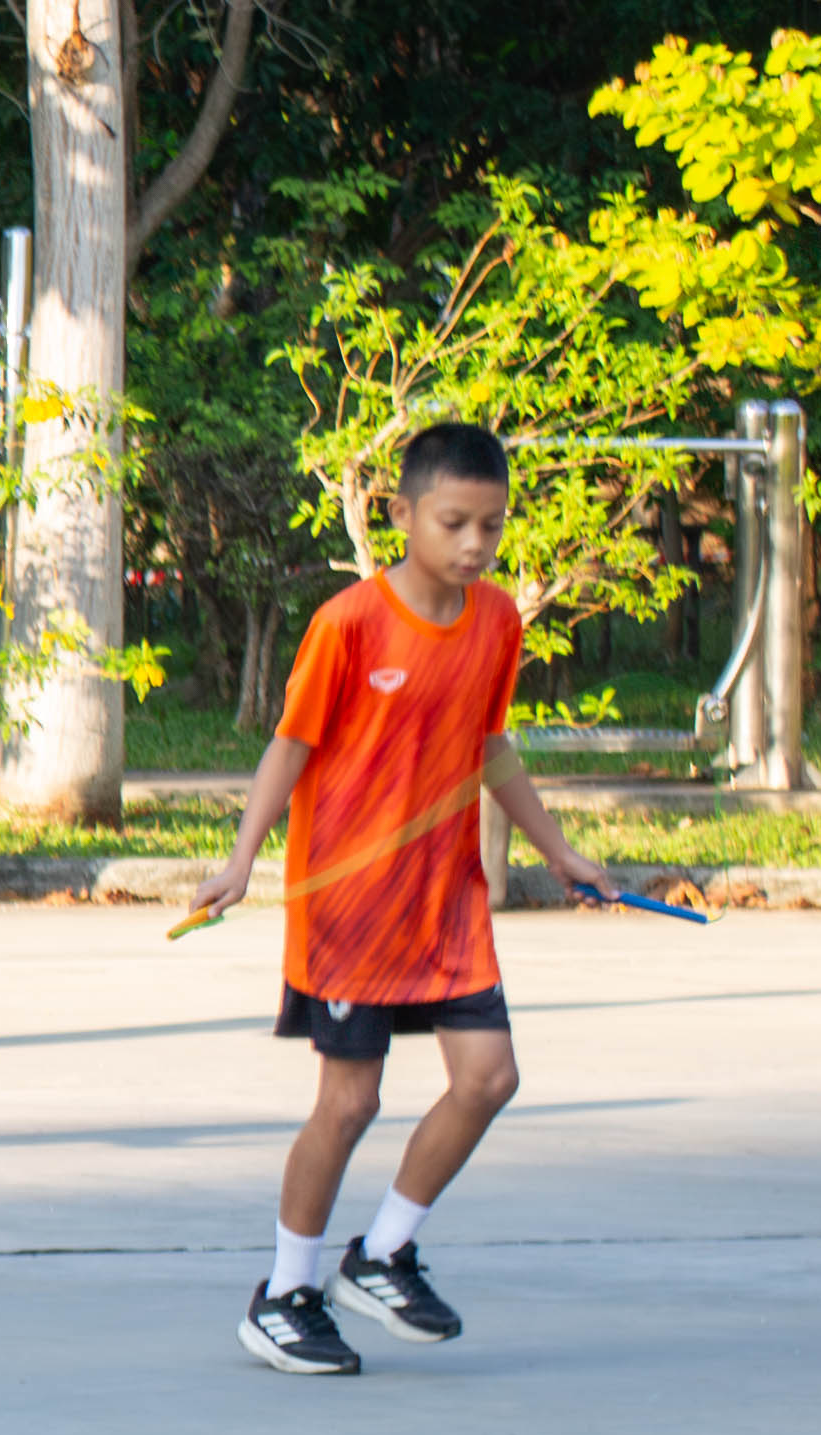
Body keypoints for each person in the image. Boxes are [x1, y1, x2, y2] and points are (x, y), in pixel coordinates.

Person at [182, 419, 617, 1372]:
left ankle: (381, 1254)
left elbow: (491, 746)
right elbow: (288, 748)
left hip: (446, 901)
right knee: (350, 1103)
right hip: (352, 904)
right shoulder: (349, 624)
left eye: (492, 526)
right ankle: (284, 1293)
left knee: (489, 1080)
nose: (475, 544)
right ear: (403, 514)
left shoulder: (496, 621)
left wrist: (560, 852)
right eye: (454, 523)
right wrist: (242, 860)